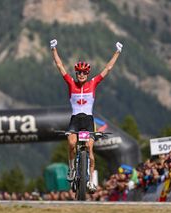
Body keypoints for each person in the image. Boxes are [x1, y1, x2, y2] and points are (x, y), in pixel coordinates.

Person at [50, 38, 123, 192]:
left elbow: (108, 68)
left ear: (87, 74)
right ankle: (71, 169)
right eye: (79, 72)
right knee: (71, 144)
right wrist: (54, 49)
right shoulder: (71, 83)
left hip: (88, 120)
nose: (81, 75)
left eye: (84, 73)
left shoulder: (93, 83)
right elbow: (59, 65)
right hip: (75, 119)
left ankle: (89, 180)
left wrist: (117, 52)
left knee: (89, 149)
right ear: (76, 73)